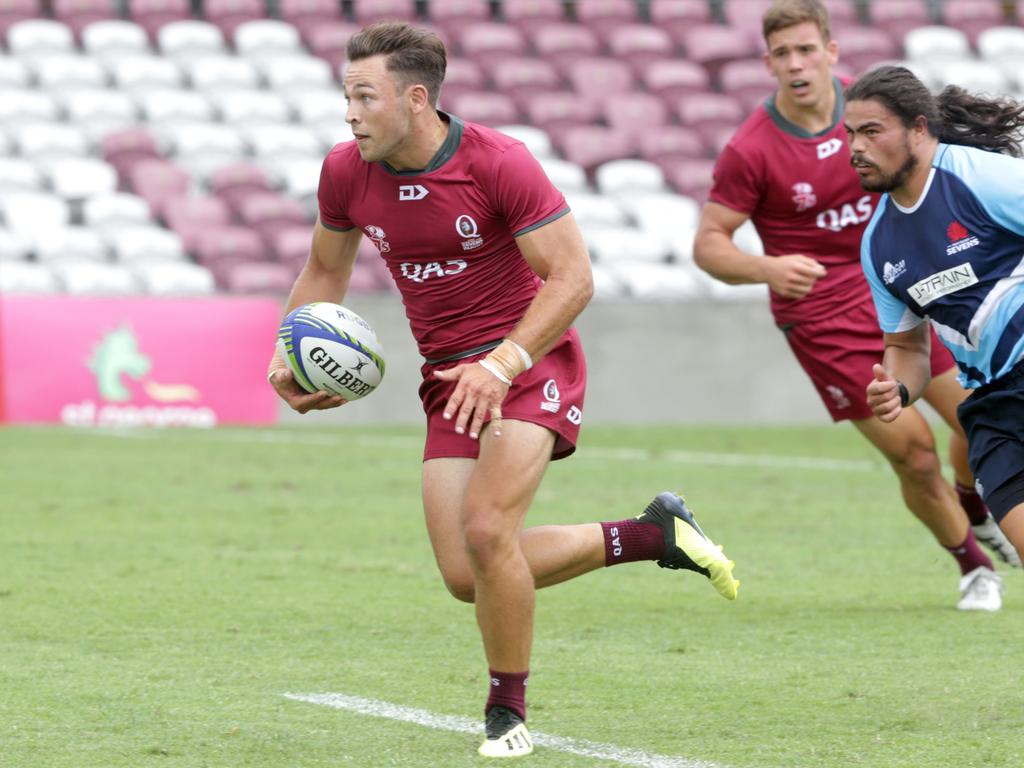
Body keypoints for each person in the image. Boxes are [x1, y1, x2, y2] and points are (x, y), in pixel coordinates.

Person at [266, 21, 739, 759]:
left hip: (529, 359)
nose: (349, 113)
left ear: (415, 99)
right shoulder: (345, 172)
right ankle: (654, 534)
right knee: (465, 573)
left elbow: (573, 277)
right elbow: (325, 273)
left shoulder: (498, 162)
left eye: (364, 96)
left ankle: (506, 709)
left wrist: (505, 363)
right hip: (450, 378)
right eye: (346, 96)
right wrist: (286, 352)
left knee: (488, 533)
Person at [692, 0, 1018, 614]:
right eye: (783, 54)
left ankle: (977, 507)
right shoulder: (752, 150)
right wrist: (767, 267)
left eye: (806, 49)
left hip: (918, 286)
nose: (796, 64)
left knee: (977, 411)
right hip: (823, 317)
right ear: (767, 63)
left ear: (831, 52)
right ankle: (972, 567)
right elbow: (708, 245)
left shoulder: (871, 113)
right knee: (913, 451)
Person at [849, 64, 1024, 565]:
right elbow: (907, 348)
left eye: (871, 132)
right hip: (992, 407)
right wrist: (897, 388)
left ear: (919, 129)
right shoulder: (878, 244)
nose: (856, 148)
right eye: (850, 135)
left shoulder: (981, 179)